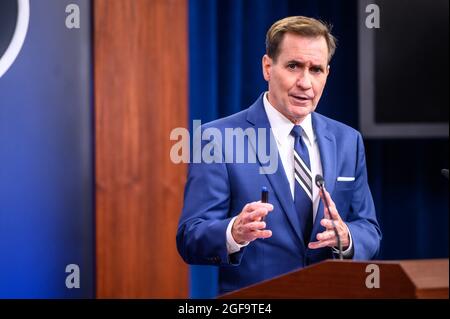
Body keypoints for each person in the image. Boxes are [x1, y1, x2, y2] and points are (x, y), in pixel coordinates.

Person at [176, 16, 381, 295]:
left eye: (316, 69)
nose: (305, 82)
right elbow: (190, 237)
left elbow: (368, 228)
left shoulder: (348, 140)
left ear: (327, 74)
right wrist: (233, 232)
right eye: (294, 66)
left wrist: (347, 238)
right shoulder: (216, 139)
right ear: (267, 67)